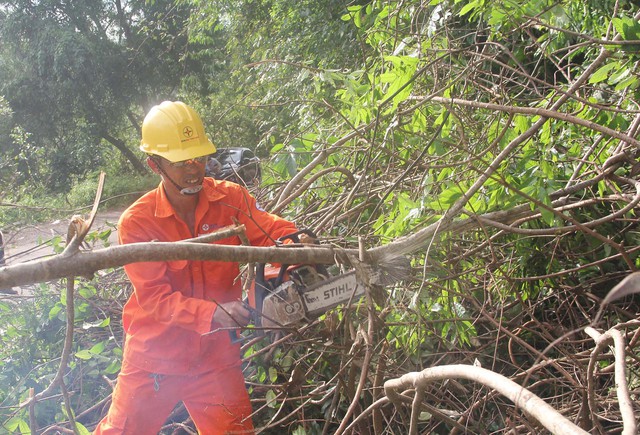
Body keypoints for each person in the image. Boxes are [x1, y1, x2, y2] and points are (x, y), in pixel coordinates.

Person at [94, 101, 302, 434]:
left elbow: (273, 232)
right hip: (156, 360)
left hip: (216, 358)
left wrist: (295, 253)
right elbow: (155, 299)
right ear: (154, 164)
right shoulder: (138, 222)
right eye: (180, 162)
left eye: (199, 158)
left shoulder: (231, 199)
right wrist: (213, 313)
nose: (194, 170)